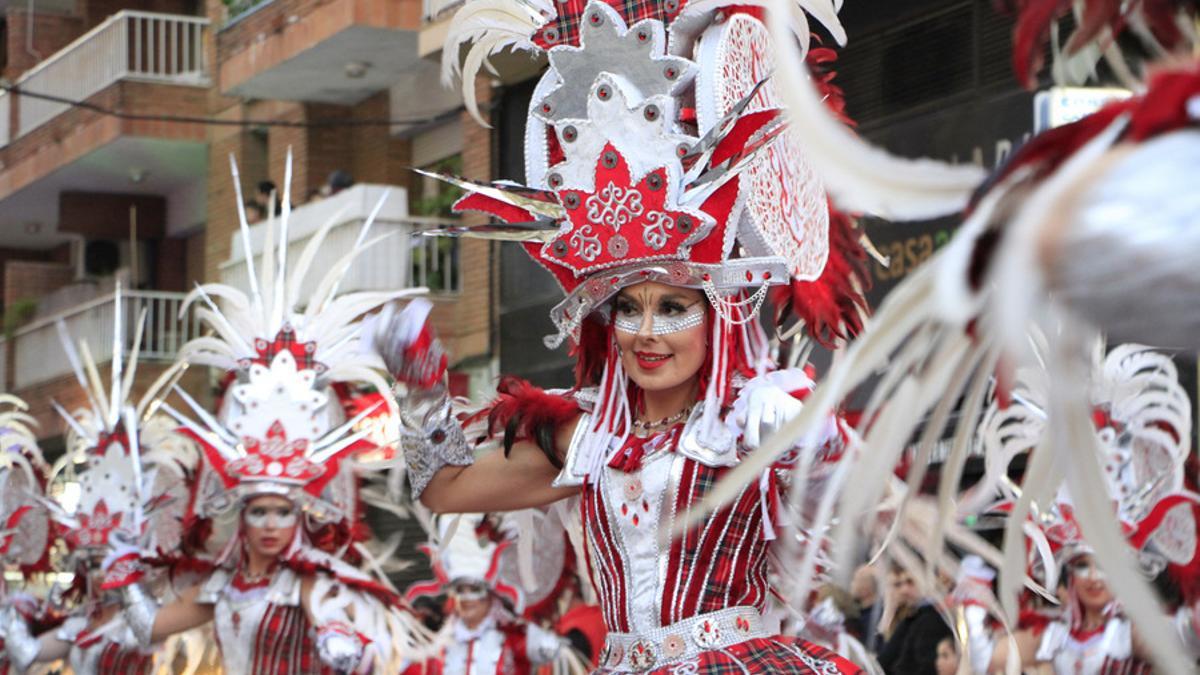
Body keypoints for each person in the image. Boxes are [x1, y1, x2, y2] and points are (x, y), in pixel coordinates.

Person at [370, 2, 876, 671]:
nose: (645, 332)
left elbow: (861, 515)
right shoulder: (591, 440)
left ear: (719, 315)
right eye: (626, 308)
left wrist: (817, 442)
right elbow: (448, 489)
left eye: (673, 307)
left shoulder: (752, 422)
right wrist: (420, 387)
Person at [109, 155, 427, 674]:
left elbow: (354, 643)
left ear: (302, 514)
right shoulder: (222, 582)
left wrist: (344, 643)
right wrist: (122, 569)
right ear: (243, 516)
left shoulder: (314, 581)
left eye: (282, 511)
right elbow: (149, 626)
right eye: (260, 511)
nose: (272, 524)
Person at [404, 513, 572, 674]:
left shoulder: (517, 635)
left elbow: (566, 660)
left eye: (474, 590)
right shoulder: (438, 643)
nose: (466, 598)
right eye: (460, 589)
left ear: (490, 593)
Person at [877, 566, 951, 675]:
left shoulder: (931, 617)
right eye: (898, 585)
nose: (904, 590)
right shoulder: (911, 617)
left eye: (910, 582)